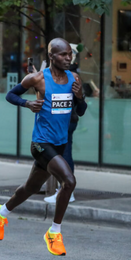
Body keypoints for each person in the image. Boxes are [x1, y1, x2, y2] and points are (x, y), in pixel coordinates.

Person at [0, 38, 86, 256]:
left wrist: (79, 97)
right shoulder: (38, 79)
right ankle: (54, 232)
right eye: (63, 54)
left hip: (59, 144)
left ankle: (0, 212)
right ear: (51, 57)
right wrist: (28, 104)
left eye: (70, 54)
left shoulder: (74, 79)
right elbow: (10, 95)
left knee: (30, 188)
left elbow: (81, 111)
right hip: (41, 143)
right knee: (69, 181)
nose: (68, 58)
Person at [44, 63, 88, 204]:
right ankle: (65, 190)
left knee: (64, 155)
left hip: (66, 122)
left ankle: (66, 191)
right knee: (59, 155)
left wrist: (79, 96)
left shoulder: (71, 78)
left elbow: (81, 108)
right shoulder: (60, 77)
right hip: (59, 123)